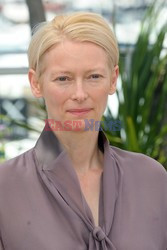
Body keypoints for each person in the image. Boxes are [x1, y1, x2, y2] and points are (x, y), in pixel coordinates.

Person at [0, 12, 166, 250]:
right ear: (36, 83)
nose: (79, 94)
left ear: (113, 79)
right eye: (63, 78)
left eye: (94, 76)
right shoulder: (4, 187)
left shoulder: (152, 179)